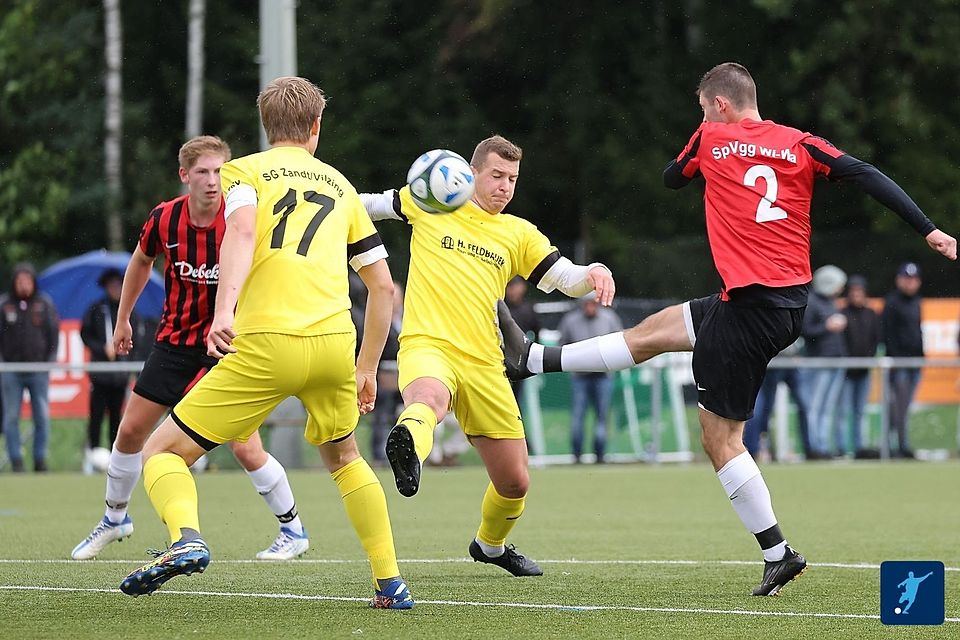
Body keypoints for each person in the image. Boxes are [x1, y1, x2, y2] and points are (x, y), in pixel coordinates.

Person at [498, 62, 956, 596]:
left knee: (720, 440)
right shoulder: (801, 143)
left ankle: (778, 552)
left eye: (702, 107)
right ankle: (531, 361)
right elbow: (868, 175)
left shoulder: (711, 136)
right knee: (656, 331)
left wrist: (699, 148)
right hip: (776, 304)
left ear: (717, 105)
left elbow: (672, 177)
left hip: (750, 310)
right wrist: (929, 230)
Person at [118, 77, 413, 609]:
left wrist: (224, 311)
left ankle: (186, 538)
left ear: (265, 127)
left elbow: (244, 234)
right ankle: (390, 582)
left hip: (266, 344)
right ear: (317, 128)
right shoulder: (341, 186)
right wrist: (368, 367)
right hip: (331, 345)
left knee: (161, 452)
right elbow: (384, 287)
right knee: (346, 458)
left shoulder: (244, 171)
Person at [359, 134, 616, 578]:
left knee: (515, 481)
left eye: (512, 178)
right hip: (429, 344)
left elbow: (565, 278)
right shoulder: (434, 202)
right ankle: (408, 453)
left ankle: (490, 546)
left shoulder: (518, 233)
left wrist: (594, 271)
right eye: (496, 175)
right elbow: (366, 205)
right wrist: (322, 200)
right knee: (427, 401)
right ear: (472, 172)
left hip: (485, 364)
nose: (505, 186)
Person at [71, 135, 309, 563]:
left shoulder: (241, 218)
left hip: (224, 347)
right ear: (185, 176)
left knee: (243, 444)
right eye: (203, 171)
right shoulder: (165, 219)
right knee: (128, 431)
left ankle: (293, 529)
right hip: (175, 343)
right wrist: (123, 319)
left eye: (220, 171)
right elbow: (141, 262)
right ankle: (114, 518)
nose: (213, 181)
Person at [0, 263, 59, 472]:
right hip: (11, 371)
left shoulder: (44, 304)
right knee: (11, 417)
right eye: (20, 281)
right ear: (14, 282)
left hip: (38, 370)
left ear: (33, 282)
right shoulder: (4, 304)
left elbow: (54, 335)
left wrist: (49, 361)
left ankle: (40, 459)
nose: (24, 285)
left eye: (27, 281)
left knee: (41, 416)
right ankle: (16, 460)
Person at [80, 268, 142, 452]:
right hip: (100, 372)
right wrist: (101, 348)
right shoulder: (96, 309)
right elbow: (85, 334)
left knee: (117, 414)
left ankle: (115, 451)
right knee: (96, 413)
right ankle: (93, 451)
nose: (116, 289)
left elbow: (137, 341)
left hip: (120, 373)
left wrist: (125, 351)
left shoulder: (130, 310)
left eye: (119, 285)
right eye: (112, 286)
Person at [558, 292, 623, 463]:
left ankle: (600, 454)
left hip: (603, 376)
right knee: (578, 416)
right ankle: (577, 454)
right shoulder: (570, 321)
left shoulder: (609, 318)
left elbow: (619, 343)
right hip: (580, 376)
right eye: (587, 304)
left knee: (602, 416)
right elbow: (562, 345)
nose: (590, 307)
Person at [801, 265, 848, 458]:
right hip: (819, 361)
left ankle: (823, 444)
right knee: (815, 405)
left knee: (828, 407)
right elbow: (806, 331)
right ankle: (815, 446)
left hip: (836, 359)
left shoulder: (830, 302)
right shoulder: (812, 302)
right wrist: (827, 327)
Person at [741, 339, 811, 460]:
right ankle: (755, 449)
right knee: (761, 410)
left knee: (803, 406)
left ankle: (810, 448)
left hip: (788, 362)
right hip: (767, 366)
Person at [882, 262, 925, 458]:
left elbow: (917, 332)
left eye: (914, 280)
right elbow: (888, 334)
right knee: (897, 407)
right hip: (899, 363)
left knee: (904, 407)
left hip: (915, 362)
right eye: (907, 279)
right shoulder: (892, 302)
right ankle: (896, 446)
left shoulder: (917, 301)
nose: (910, 283)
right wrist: (897, 358)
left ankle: (899, 444)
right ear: (899, 280)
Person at [841, 275, 881, 458]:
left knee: (860, 412)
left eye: (860, 291)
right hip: (846, 372)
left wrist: (868, 359)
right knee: (843, 411)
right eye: (853, 291)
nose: (856, 295)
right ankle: (842, 448)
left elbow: (875, 339)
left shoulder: (871, 314)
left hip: (864, 371)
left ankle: (859, 447)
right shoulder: (843, 314)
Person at [369, 282, 404, 465]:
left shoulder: (410, 321)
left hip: (406, 378)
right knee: (382, 407)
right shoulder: (377, 320)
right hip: (382, 378)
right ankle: (380, 454)